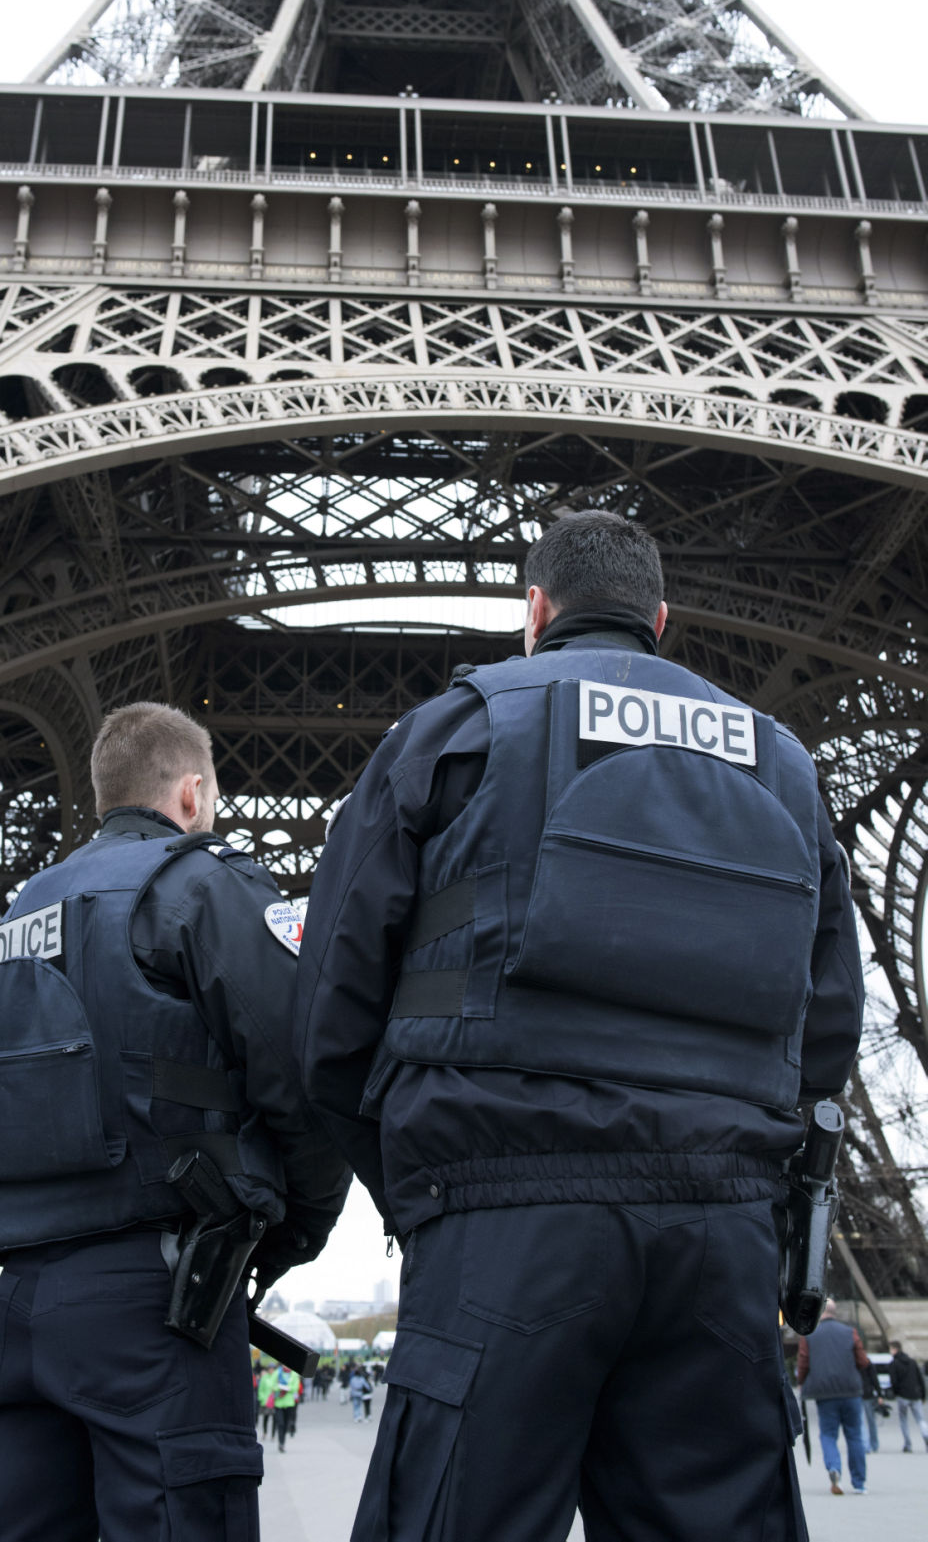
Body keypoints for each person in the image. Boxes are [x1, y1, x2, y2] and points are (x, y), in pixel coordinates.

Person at [296, 510, 864, 1542]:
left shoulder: (455, 728)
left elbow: (333, 1007)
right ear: (660, 616)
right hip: (718, 1225)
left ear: (535, 611)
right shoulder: (781, 762)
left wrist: (418, 1183)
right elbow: (827, 1025)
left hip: (497, 1213)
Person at [0, 702, 349, 1542]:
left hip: (22, 1298)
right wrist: (291, 1231)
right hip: (160, 1295)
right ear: (193, 793)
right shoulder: (201, 883)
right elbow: (303, 1072)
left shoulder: (18, 914)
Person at [795, 1300, 869, 1494]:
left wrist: (801, 1382)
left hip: (825, 1393)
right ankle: (859, 1483)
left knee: (828, 1434)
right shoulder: (850, 1332)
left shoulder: (810, 1335)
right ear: (835, 1313)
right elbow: (862, 1361)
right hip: (850, 1390)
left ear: (820, 1311)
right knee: (854, 1436)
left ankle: (834, 1468)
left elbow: (803, 1363)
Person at [888, 1338, 928, 1451]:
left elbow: (894, 1381)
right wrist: (923, 1395)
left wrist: (895, 1393)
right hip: (915, 1394)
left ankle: (908, 1444)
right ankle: (926, 1436)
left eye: (890, 1349)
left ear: (895, 1349)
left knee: (903, 1420)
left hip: (902, 1395)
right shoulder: (912, 1362)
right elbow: (920, 1379)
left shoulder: (894, 1363)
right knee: (920, 1419)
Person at [272, 1366, 301, 1452]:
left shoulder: (294, 1374)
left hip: (289, 1403)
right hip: (279, 1404)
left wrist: (287, 1388)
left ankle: (283, 1442)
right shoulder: (277, 1372)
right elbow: (272, 1385)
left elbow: (295, 1388)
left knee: (285, 1424)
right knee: (280, 1423)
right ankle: (281, 1443)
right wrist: (279, 1387)